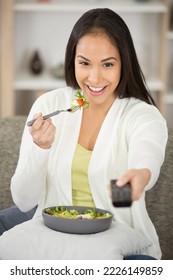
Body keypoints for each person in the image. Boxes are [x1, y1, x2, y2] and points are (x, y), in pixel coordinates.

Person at [0, 8, 168, 260]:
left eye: (108, 64)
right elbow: (25, 201)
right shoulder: (50, 105)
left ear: (125, 62)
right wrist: (41, 149)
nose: (95, 77)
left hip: (116, 233)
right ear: (72, 60)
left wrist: (140, 175)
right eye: (84, 63)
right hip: (52, 223)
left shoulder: (142, 115)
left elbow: (148, 150)